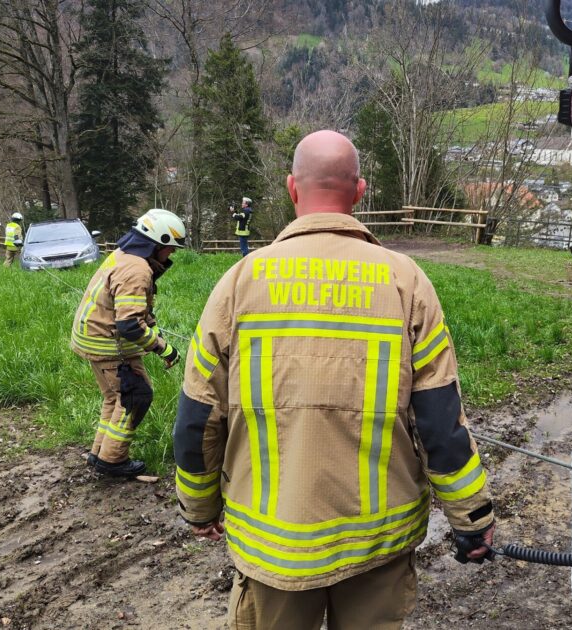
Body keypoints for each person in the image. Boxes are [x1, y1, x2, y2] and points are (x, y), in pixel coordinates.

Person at [173, 131, 495, 629]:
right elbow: (441, 421)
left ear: (291, 188)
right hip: (377, 542)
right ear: (359, 192)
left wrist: (199, 508)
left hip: (274, 547)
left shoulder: (239, 282)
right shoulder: (406, 281)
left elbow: (197, 417)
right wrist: (472, 518)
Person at [70, 208, 186, 477]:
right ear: (157, 244)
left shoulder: (124, 255)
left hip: (92, 336)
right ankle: (113, 460)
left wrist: (152, 326)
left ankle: (99, 453)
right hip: (109, 344)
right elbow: (130, 325)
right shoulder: (137, 269)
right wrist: (164, 348)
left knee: (115, 397)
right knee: (135, 396)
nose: (172, 253)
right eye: (171, 247)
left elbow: (132, 307)